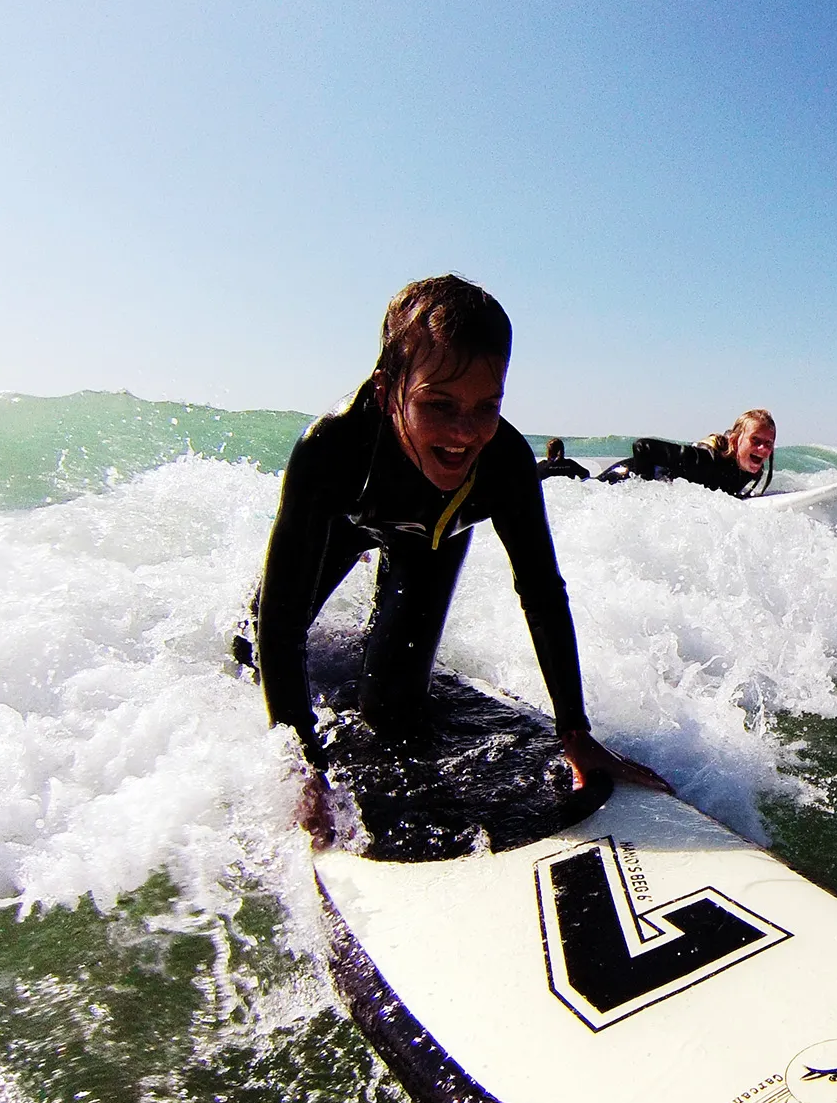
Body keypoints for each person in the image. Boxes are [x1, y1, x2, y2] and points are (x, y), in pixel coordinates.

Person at [247, 275, 672, 842]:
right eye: (437, 404)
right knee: (255, 641)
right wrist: (304, 772)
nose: (464, 432)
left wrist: (575, 733)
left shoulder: (507, 463)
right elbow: (279, 621)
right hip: (351, 522)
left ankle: (380, 646)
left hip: (432, 541)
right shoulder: (332, 449)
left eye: (486, 406)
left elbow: (542, 592)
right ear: (385, 391)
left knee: (393, 714)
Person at [598, 409, 776, 497]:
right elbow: (643, 447)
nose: (763, 448)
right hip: (621, 478)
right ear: (735, 441)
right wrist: (646, 495)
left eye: (768, 443)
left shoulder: (749, 471)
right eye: (756, 440)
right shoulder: (706, 461)